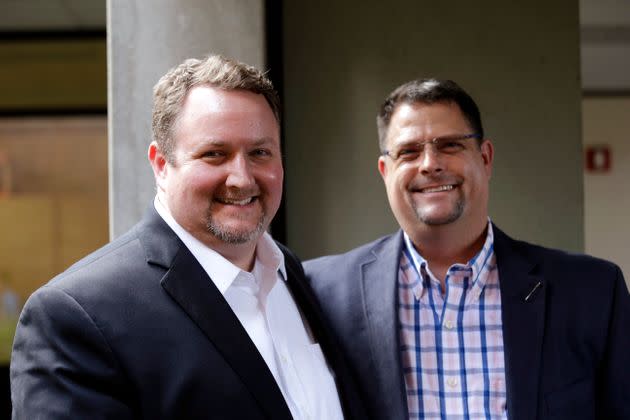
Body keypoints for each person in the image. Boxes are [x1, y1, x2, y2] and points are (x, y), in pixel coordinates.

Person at [11, 54, 365, 420]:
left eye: (260, 153)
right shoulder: (77, 316)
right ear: (161, 165)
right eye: (215, 154)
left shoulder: (286, 271)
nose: (242, 178)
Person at [305, 78, 630, 419]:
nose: (430, 163)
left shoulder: (592, 292)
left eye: (449, 145)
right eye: (409, 152)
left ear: (486, 158)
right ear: (385, 171)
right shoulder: (324, 293)